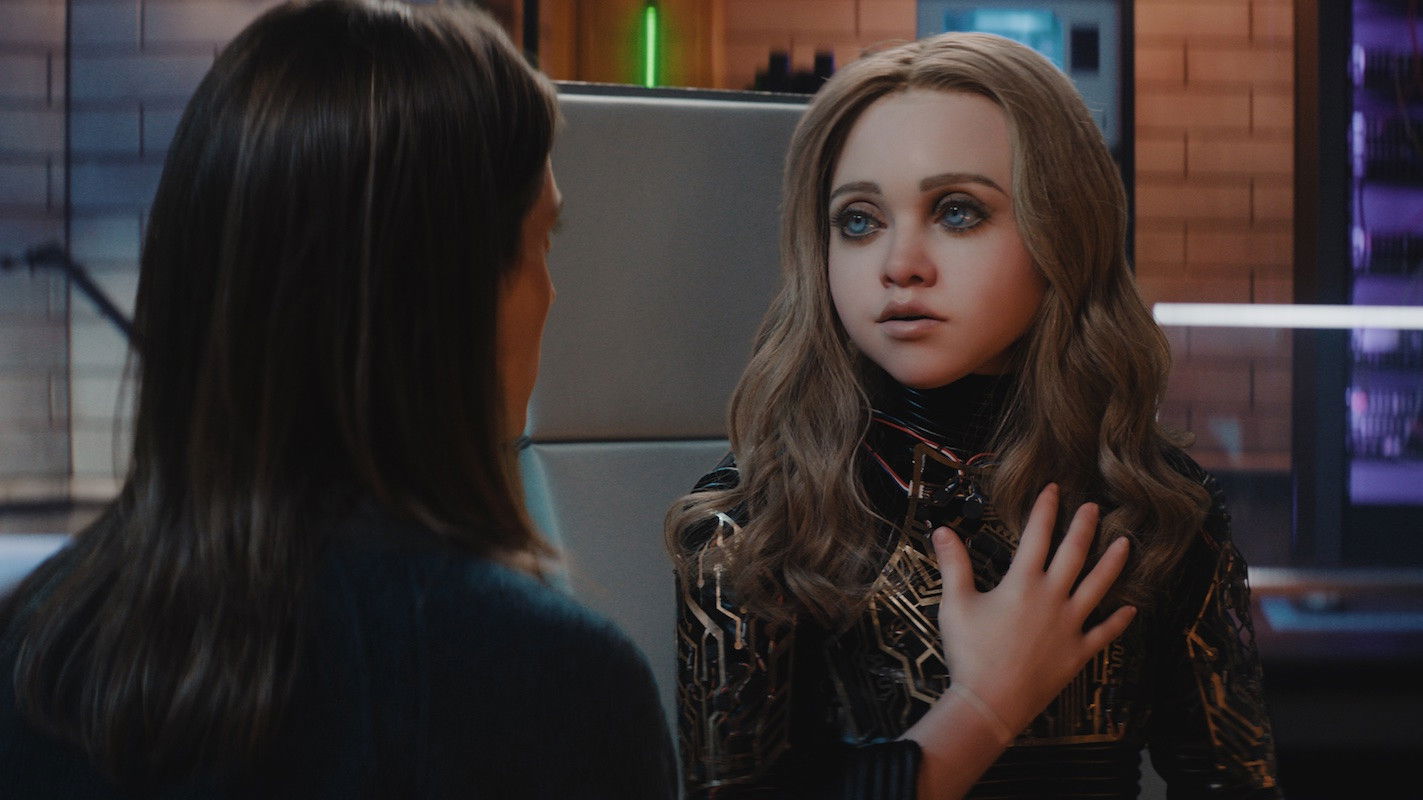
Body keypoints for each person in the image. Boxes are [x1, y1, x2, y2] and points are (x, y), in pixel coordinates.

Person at [0, 1, 675, 797]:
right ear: (444, 297)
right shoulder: (554, 692)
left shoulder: (38, 648)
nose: (552, 293)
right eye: (541, 243)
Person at [666, 32, 1282, 800]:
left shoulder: (1157, 505)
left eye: (956, 212)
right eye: (857, 221)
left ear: (1061, 231)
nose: (899, 265)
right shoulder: (750, 525)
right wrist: (984, 709)